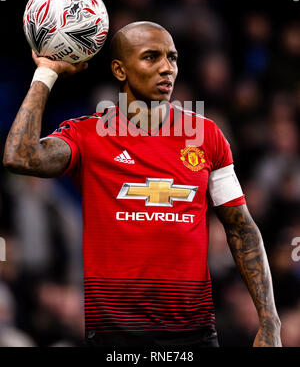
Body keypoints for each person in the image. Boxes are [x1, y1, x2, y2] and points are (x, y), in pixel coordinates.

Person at [3, 21, 281, 348]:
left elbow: (241, 228)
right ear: (120, 70)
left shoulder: (207, 136)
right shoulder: (87, 135)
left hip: (194, 335)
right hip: (114, 336)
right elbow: (19, 157)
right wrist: (46, 73)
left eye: (172, 58)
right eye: (151, 57)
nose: (167, 68)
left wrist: (270, 320)